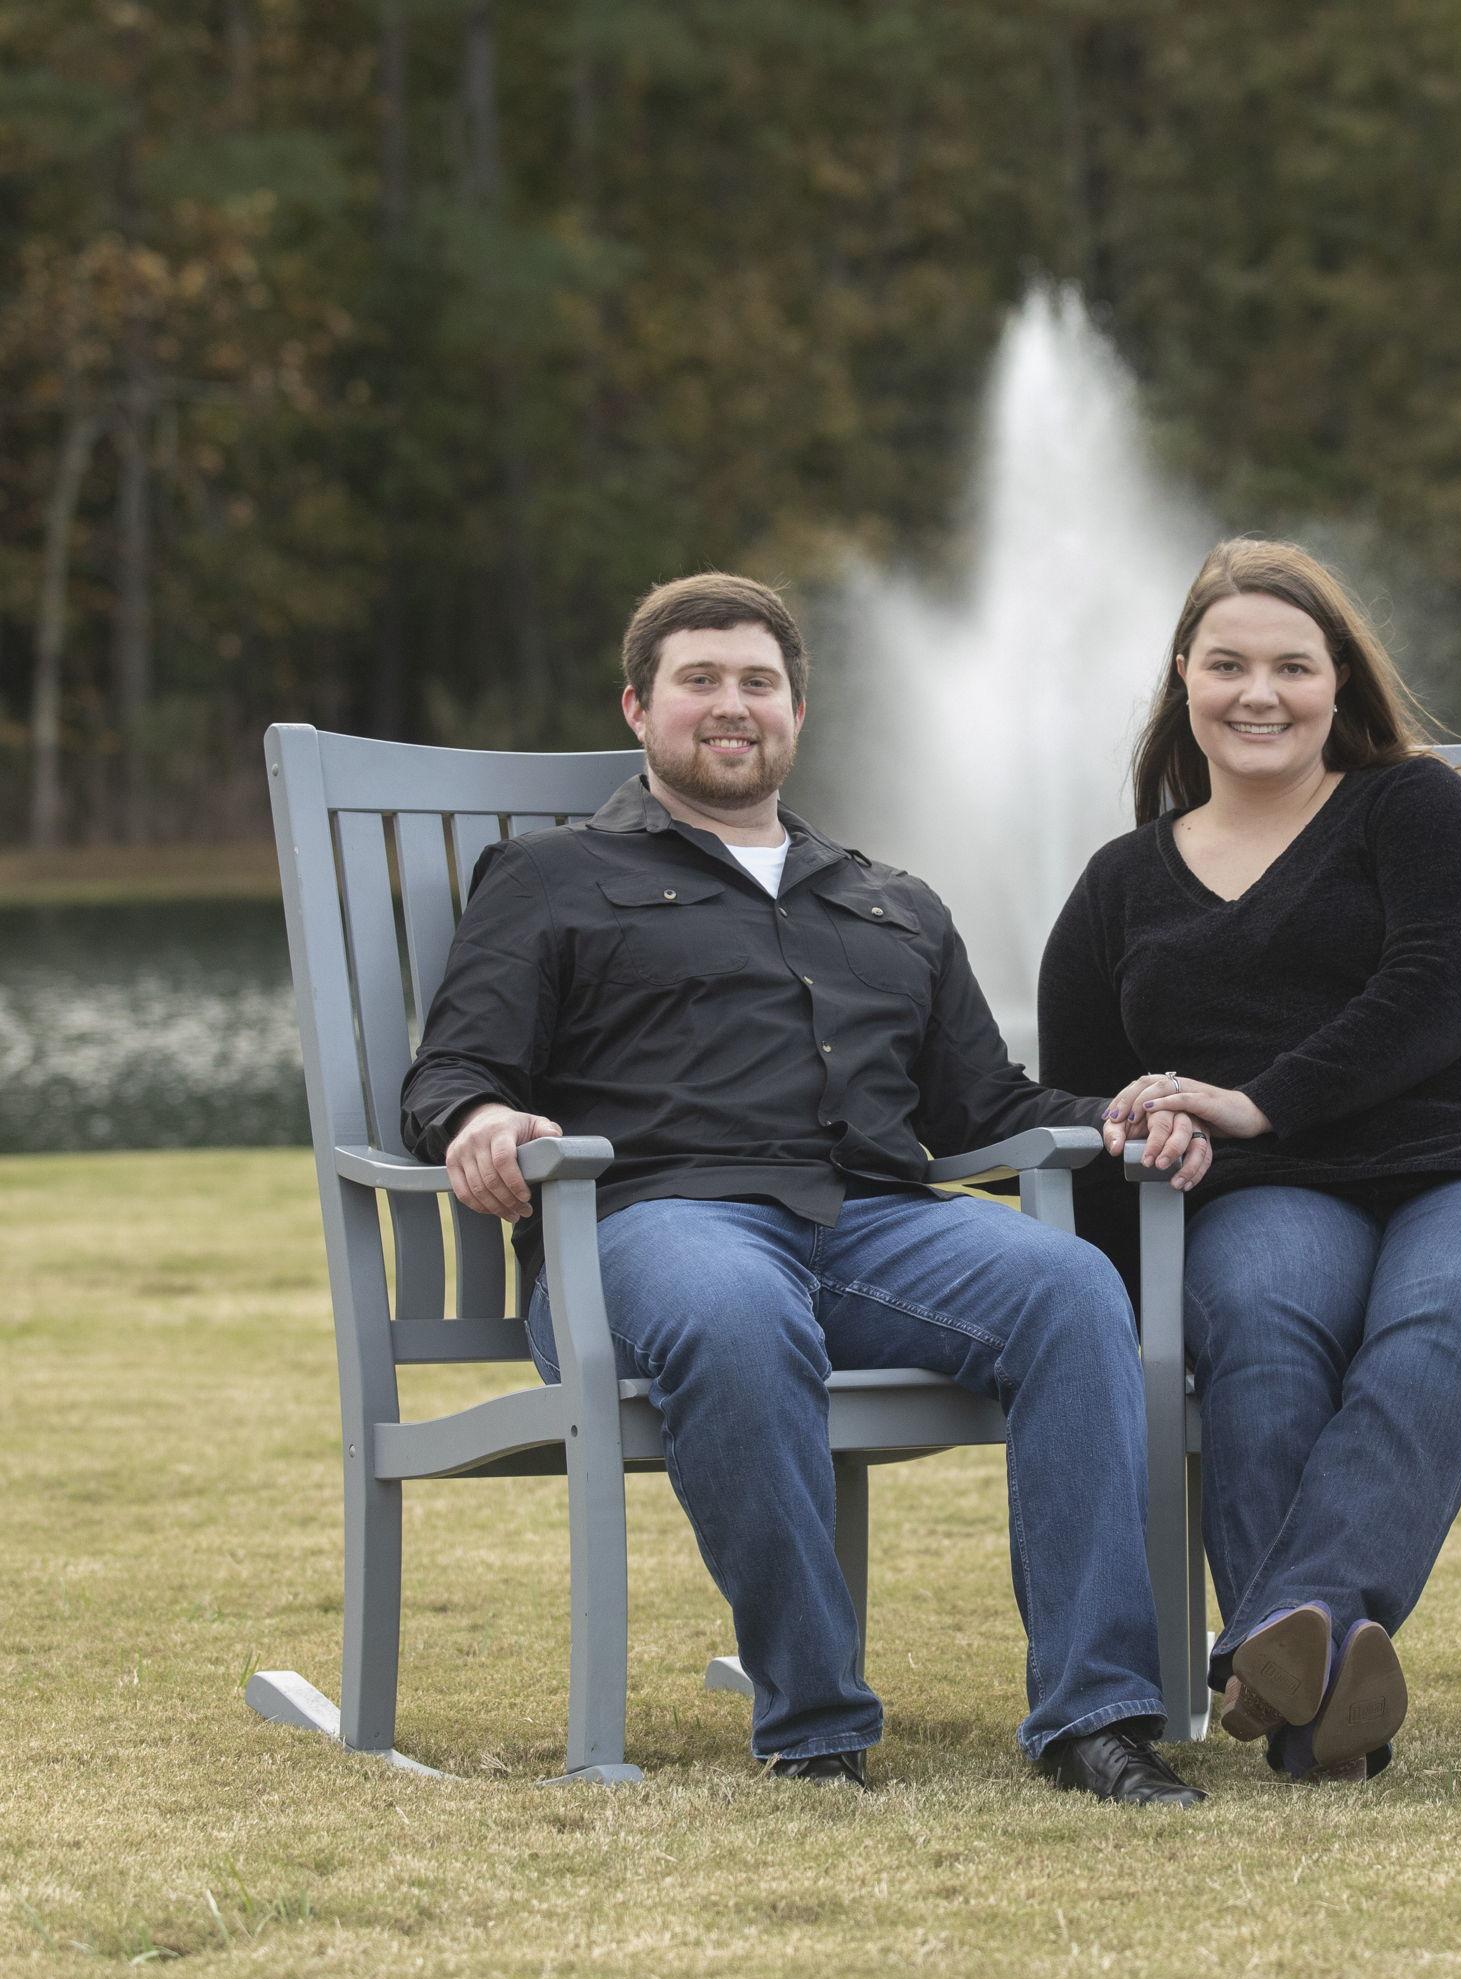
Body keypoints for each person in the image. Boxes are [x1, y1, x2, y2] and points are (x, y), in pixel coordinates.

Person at [400, 571, 1206, 1806]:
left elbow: (982, 1109)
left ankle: (1095, 1716)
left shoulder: (889, 900)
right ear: (637, 707)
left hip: (873, 1224)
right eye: (700, 680)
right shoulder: (552, 875)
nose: (733, 704)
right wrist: (481, 1118)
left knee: (1068, 1284)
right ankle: (816, 1722)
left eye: (758, 682)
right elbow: (453, 1066)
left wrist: (1115, 1115)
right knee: (736, 1308)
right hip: (651, 1226)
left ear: (796, 711)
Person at [1038, 538, 1461, 1783]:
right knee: (1261, 1323)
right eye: (1227, 664)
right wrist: (1141, 1133)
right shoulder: (1120, 882)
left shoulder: (1416, 808)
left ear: (1338, 682)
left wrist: (1254, 1102)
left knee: (1436, 1309)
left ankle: (1288, 1628)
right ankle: (1318, 1718)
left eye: (1291, 665)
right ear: (1182, 677)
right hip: (1273, 1200)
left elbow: (1428, 996)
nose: (1257, 692)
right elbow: (1077, 1094)